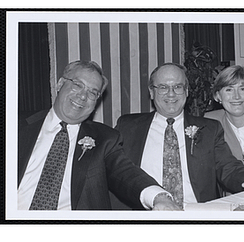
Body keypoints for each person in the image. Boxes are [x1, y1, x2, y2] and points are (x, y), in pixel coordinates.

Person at [18, 60, 180, 211]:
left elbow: (125, 174)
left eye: (92, 92)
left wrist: (159, 197)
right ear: (60, 84)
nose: (83, 96)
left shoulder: (105, 139)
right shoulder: (15, 124)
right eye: (78, 85)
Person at [114, 62, 244, 210]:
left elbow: (228, 167)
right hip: (146, 215)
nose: (171, 94)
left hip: (196, 215)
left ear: (186, 91)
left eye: (178, 87)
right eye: (163, 87)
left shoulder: (208, 128)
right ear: (151, 92)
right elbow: (116, 169)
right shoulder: (128, 127)